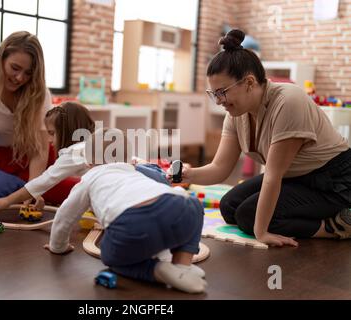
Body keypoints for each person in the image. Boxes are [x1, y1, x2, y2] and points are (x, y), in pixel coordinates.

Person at [180, 29, 351, 247]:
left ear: (249, 82)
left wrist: (261, 233)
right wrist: (186, 175)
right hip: (295, 176)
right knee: (229, 206)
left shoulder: (288, 101)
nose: (219, 101)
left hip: (332, 181)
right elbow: (220, 168)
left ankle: (335, 226)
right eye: (214, 94)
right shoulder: (236, 113)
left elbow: (273, 176)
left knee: (249, 217)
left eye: (222, 92)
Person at [42, 128, 207, 294]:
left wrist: (58, 246)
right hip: (177, 208)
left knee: (110, 257)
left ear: (88, 163)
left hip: (132, 224)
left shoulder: (89, 179)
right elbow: (163, 181)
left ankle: (157, 271)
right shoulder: (135, 171)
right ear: (130, 160)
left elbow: (66, 215)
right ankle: (183, 265)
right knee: (193, 205)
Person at [0, 31, 78, 209]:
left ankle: (123, 184)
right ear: (0, 57)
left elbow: (40, 148)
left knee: (78, 190)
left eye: (28, 73)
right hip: (9, 163)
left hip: (41, 160)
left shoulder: (39, 93)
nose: (20, 78)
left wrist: (33, 191)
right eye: (15, 68)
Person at [0, 101, 95, 212]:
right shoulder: (88, 147)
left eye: (52, 133)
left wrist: (7, 201)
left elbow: (45, 180)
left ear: (67, 131)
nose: (49, 140)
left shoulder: (74, 152)